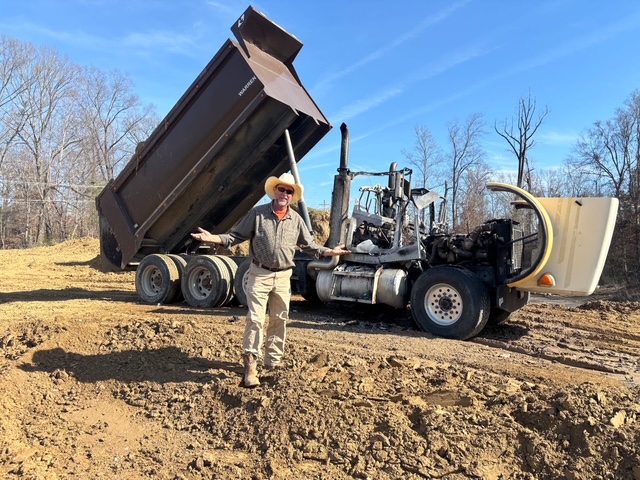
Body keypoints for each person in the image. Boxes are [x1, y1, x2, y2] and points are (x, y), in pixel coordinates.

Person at [191, 172, 350, 387]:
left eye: (289, 191)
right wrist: (213, 238)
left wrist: (329, 251)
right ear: (275, 191)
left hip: (283, 276)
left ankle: (272, 362)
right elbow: (236, 237)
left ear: (292, 195)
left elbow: (309, 246)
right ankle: (251, 364)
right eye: (281, 189)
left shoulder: (296, 219)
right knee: (256, 319)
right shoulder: (258, 214)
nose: (285, 193)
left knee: (279, 318)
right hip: (259, 273)